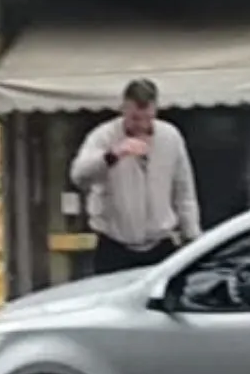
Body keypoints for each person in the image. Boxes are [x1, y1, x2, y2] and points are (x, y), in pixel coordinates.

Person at [70, 79, 201, 275]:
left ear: (155, 110)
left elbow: (184, 191)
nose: (140, 125)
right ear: (123, 109)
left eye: (146, 118)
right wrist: (112, 155)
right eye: (134, 118)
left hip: (160, 244)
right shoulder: (103, 137)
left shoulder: (171, 137)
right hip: (115, 245)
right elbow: (79, 176)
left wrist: (192, 238)